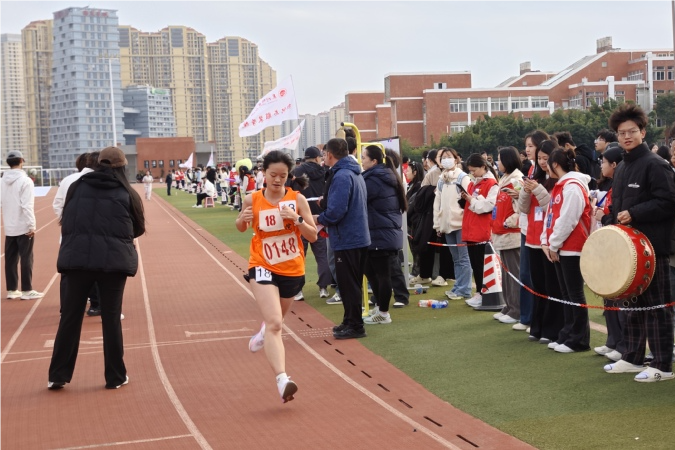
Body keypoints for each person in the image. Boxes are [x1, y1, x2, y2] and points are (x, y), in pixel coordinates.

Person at [48, 146, 145, 390]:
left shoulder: (76, 186)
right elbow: (138, 228)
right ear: (123, 167)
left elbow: (66, 219)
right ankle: (115, 376)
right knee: (111, 319)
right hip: (113, 263)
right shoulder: (127, 192)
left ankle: (58, 374)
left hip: (77, 259)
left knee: (70, 317)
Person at [237, 150, 317, 403]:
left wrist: (297, 220)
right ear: (264, 173)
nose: (277, 180)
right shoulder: (252, 199)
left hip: (292, 269)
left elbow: (313, 235)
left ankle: (262, 335)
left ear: (288, 176)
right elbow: (241, 227)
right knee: (275, 323)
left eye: (283, 175)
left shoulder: (297, 199)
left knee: (275, 322)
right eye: (273, 174)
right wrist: (242, 219)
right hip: (262, 264)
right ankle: (283, 380)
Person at [603, 103, 675, 382]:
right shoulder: (622, 167)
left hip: (653, 249)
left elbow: (668, 202)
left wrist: (635, 213)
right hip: (628, 251)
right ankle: (632, 357)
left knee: (657, 308)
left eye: (632, 131)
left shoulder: (656, 165)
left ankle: (662, 365)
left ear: (643, 132)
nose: (626, 136)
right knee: (632, 305)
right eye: (621, 133)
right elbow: (617, 207)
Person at [316, 138, 370, 339]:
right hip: (356, 236)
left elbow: (337, 211)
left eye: (324, 154)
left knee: (349, 285)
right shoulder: (354, 172)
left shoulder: (342, 176)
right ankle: (350, 320)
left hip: (348, 237)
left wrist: (319, 218)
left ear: (330, 154)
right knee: (350, 284)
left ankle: (355, 324)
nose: (323, 157)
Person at [541, 147, 592, 354]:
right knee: (566, 293)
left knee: (574, 293)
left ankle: (578, 339)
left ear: (555, 165)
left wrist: (553, 244)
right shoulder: (561, 186)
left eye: (547, 162)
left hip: (573, 246)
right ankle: (568, 334)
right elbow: (551, 217)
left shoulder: (572, 187)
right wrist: (547, 242)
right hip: (561, 246)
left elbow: (568, 220)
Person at [518, 140, 564, 344]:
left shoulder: (559, 182)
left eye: (546, 158)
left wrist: (537, 189)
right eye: (540, 158)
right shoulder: (534, 177)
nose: (543, 162)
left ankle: (551, 329)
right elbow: (523, 208)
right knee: (537, 286)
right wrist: (526, 191)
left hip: (550, 240)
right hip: (533, 238)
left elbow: (552, 208)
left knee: (551, 286)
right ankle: (537, 327)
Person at [361, 145, 407, 324]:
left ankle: (384, 313)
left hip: (381, 234)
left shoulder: (375, 179)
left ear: (374, 161)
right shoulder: (382, 176)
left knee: (382, 275)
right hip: (380, 232)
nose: (361, 161)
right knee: (372, 272)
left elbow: (359, 198)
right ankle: (380, 307)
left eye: (364, 158)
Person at [592, 147, 625, 362]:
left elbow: (615, 215)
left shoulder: (619, 186)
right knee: (609, 295)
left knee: (618, 295)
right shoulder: (609, 186)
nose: (601, 166)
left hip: (618, 244)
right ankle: (613, 340)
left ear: (614, 165)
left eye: (603, 162)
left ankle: (622, 344)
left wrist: (603, 216)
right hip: (608, 242)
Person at [0, 150, 43, 301]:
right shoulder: (26, 181)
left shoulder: (2, 181)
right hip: (23, 226)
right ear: (21, 161)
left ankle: (12, 289)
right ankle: (27, 290)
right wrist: (32, 225)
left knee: (10, 259)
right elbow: (27, 205)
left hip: (9, 226)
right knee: (27, 257)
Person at [289, 146, 331, 300]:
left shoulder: (296, 171)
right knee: (322, 255)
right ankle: (323, 287)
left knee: (300, 255)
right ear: (317, 158)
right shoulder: (325, 171)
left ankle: (298, 290)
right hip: (320, 218)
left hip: (301, 219)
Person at [432, 148, 472, 300]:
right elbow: (437, 203)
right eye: (443, 157)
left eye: (449, 157)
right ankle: (458, 287)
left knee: (463, 258)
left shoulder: (463, 178)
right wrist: (437, 224)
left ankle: (464, 289)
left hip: (461, 224)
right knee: (456, 258)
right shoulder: (442, 180)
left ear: (456, 159)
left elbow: (468, 200)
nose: (446, 159)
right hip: (446, 225)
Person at [460, 154, 499, 308]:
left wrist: (471, 200)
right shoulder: (472, 183)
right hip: (470, 229)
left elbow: (489, 206)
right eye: (470, 171)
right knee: (475, 264)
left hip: (482, 231)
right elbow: (470, 205)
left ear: (483, 167)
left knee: (483, 265)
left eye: (474, 170)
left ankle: (485, 294)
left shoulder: (492, 184)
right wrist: (464, 198)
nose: (472, 173)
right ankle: (478, 292)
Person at [492, 147, 524, 326]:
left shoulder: (516, 180)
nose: (497, 163)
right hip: (502, 232)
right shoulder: (505, 178)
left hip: (511, 234)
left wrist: (509, 222)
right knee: (506, 273)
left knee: (513, 274)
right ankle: (509, 305)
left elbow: (520, 206)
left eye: (499, 159)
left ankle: (517, 309)